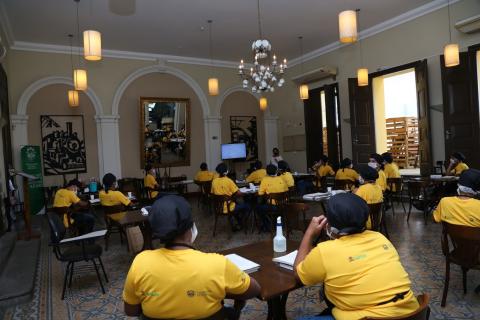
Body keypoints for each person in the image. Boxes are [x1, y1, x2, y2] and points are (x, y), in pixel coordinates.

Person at [123, 195, 261, 319]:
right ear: (190, 228)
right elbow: (254, 290)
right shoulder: (217, 263)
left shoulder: (141, 262)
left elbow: (131, 310)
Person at [294, 193, 419, 320]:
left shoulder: (325, 251)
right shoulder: (380, 237)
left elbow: (298, 275)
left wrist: (309, 233)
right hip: (411, 312)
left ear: (329, 223)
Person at [211, 163, 250, 231]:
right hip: (229, 207)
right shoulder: (228, 181)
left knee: (236, 203)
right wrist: (246, 192)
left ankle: (236, 223)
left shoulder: (214, 181)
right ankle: (241, 223)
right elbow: (238, 193)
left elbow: (212, 193)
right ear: (226, 171)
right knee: (246, 206)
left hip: (218, 208)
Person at [257, 164, 289, 231]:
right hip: (283, 204)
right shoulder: (281, 179)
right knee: (278, 210)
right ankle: (281, 223)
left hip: (272, 206)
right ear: (276, 171)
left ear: (266, 172)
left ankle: (268, 227)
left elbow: (260, 193)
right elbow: (286, 190)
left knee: (258, 208)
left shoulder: (264, 180)